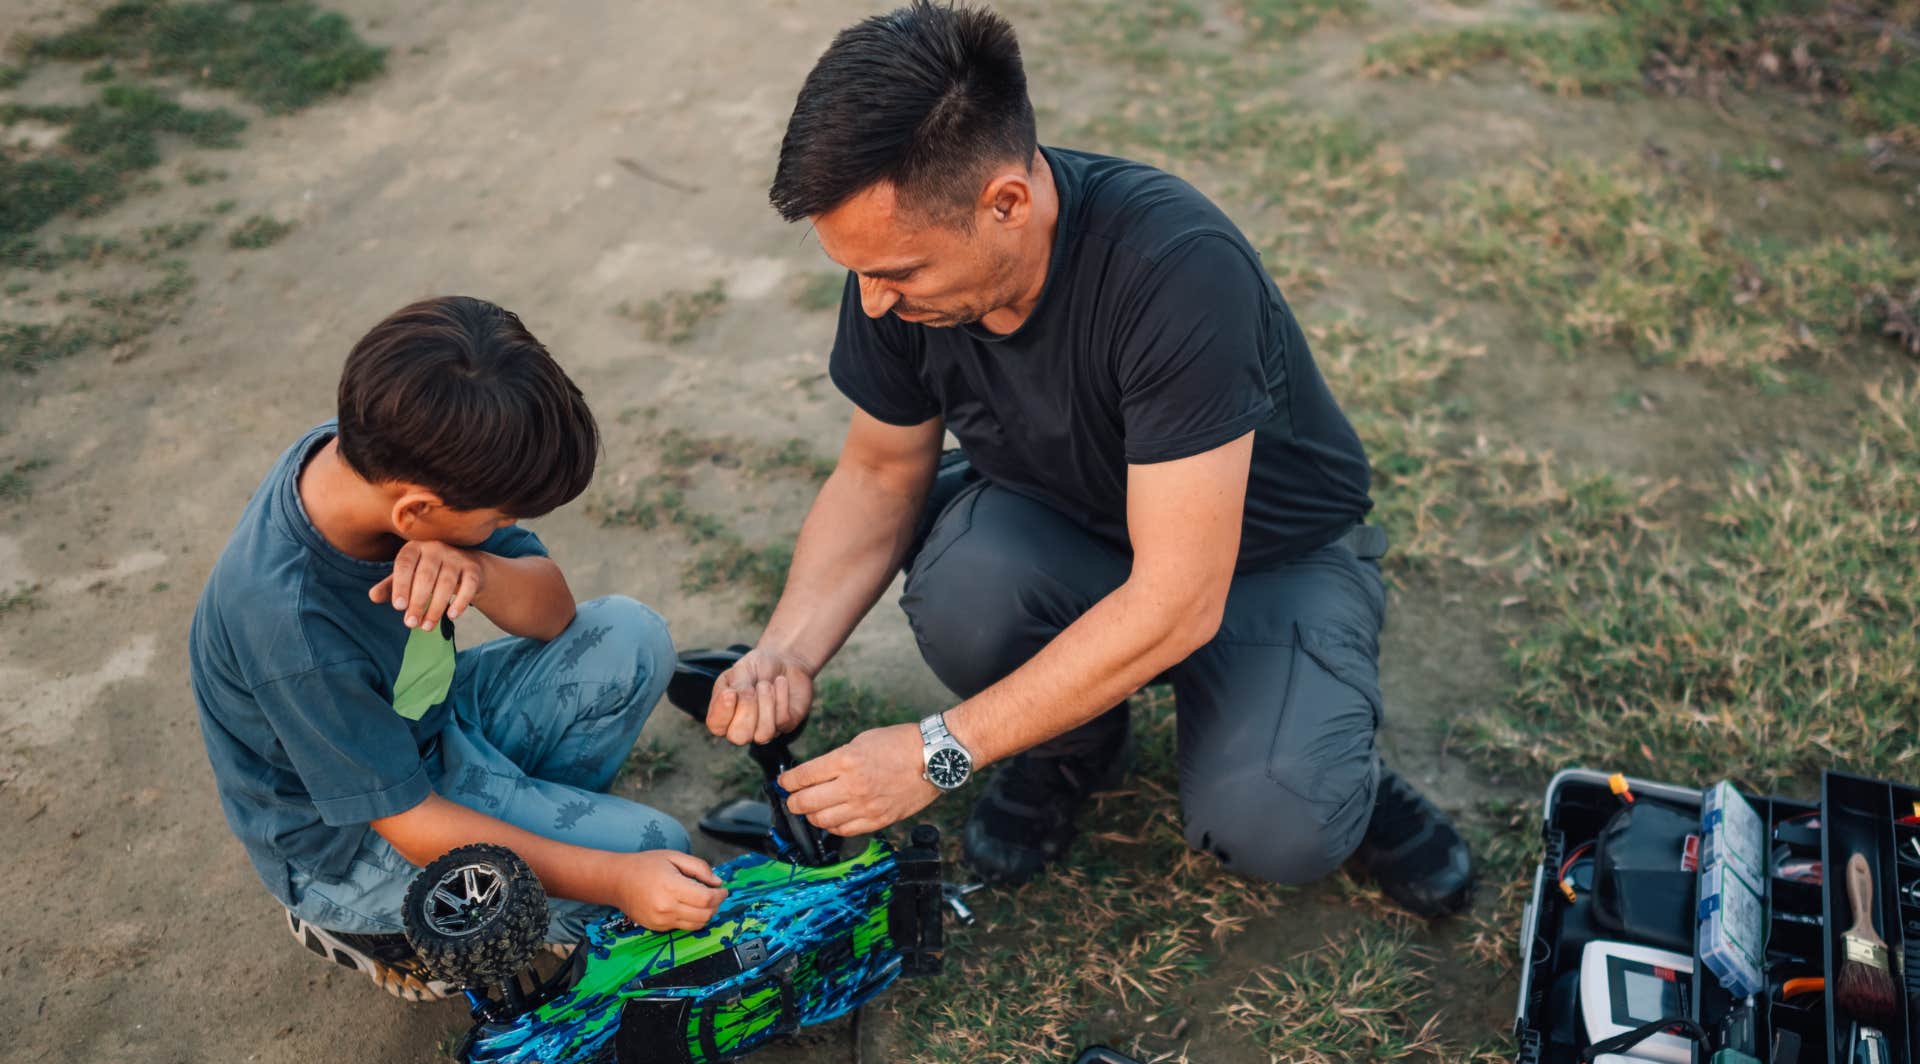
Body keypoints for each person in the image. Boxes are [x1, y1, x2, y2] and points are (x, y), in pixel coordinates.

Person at [702, 1, 1473, 917]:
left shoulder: (1178, 269)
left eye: (898, 272)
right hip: (1067, 521)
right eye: (859, 271)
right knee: (964, 593)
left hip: (1261, 563)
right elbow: (878, 472)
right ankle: (1074, 742)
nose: (871, 301)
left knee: (1280, 818)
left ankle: (1330, 746)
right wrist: (786, 651)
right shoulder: (895, 273)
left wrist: (940, 750)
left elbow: (1179, 596)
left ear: (1006, 204)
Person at [189, 296, 726, 1001]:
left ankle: (531, 827)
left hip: (432, 726)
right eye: (500, 518)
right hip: (355, 840)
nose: (507, 524)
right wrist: (619, 879)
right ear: (415, 510)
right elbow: (411, 823)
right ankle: (373, 928)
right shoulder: (289, 623)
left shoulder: (386, 448)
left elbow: (553, 613)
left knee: (632, 637)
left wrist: (481, 568)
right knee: (655, 854)